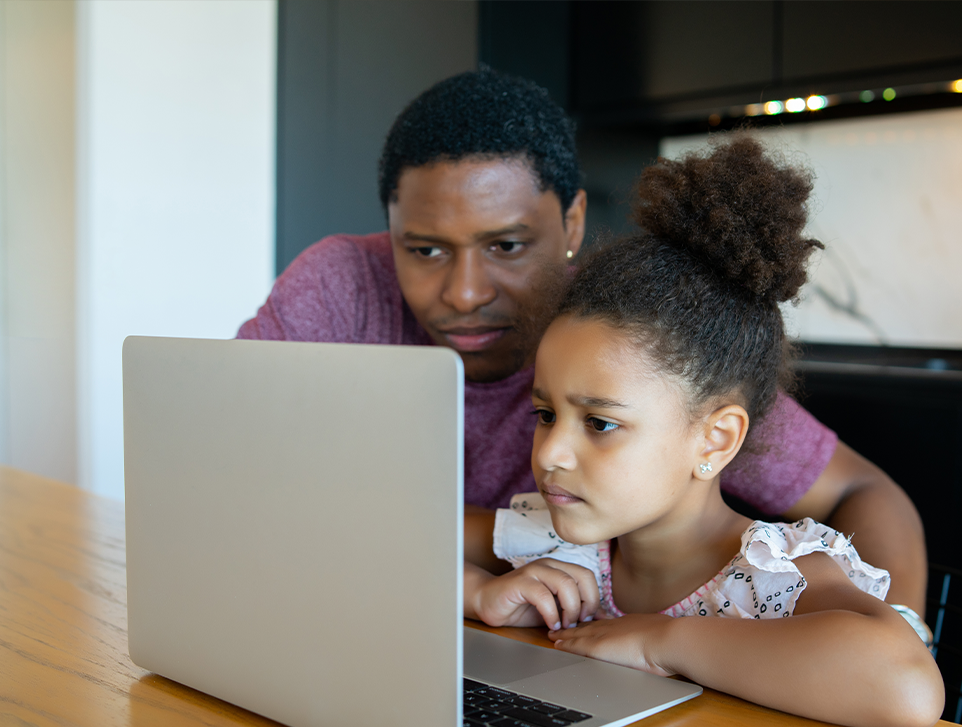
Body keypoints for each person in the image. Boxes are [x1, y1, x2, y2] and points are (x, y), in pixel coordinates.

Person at [237, 68, 927, 618]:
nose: (466, 291)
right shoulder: (339, 285)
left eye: (506, 245)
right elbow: (226, 479)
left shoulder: (629, 345)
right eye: (423, 249)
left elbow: (864, 491)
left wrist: (891, 632)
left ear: (572, 222)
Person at [463, 135, 944, 727]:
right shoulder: (563, 540)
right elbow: (369, 535)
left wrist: (662, 643)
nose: (552, 453)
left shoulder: (772, 576)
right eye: (545, 415)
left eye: (600, 423)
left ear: (715, 440)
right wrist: (474, 592)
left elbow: (906, 688)